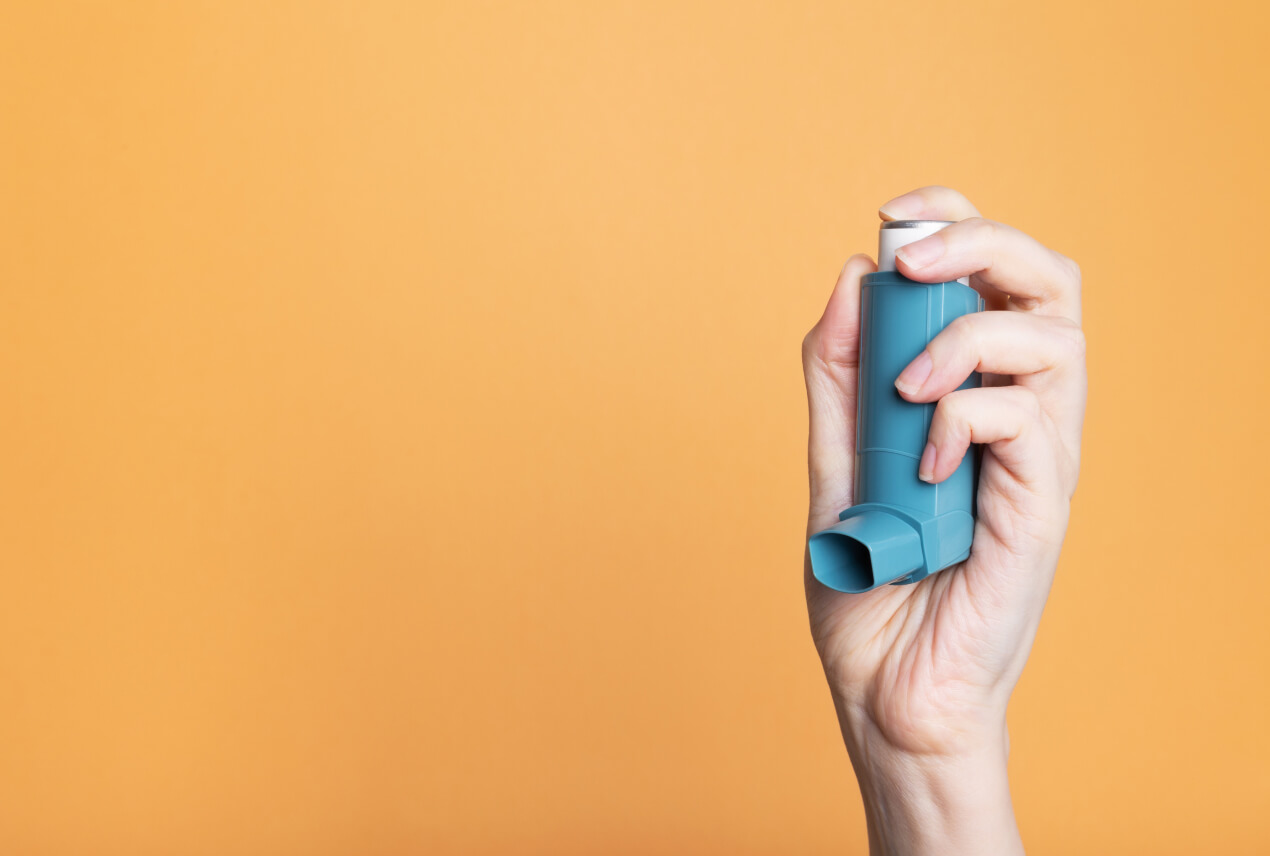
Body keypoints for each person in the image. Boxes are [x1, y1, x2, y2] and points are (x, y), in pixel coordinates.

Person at [802, 186, 1087, 855]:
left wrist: (939, 743)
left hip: (909, 533)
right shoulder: (891, 300)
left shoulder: (933, 302)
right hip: (884, 526)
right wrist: (910, 754)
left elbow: (934, 725)